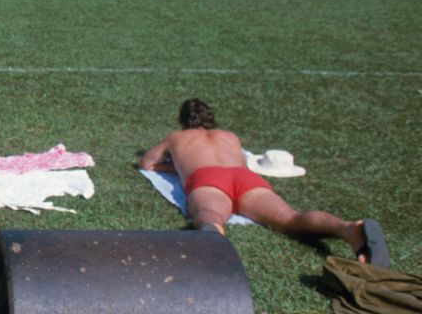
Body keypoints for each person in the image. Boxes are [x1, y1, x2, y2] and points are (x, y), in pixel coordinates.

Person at [139, 98, 389, 266]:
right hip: (244, 177)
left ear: (183, 120)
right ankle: (348, 228)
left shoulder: (177, 136)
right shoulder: (229, 136)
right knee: (291, 218)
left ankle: (214, 236)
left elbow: (147, 163)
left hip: (207, 177)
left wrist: (176, 167)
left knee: (210, 212)